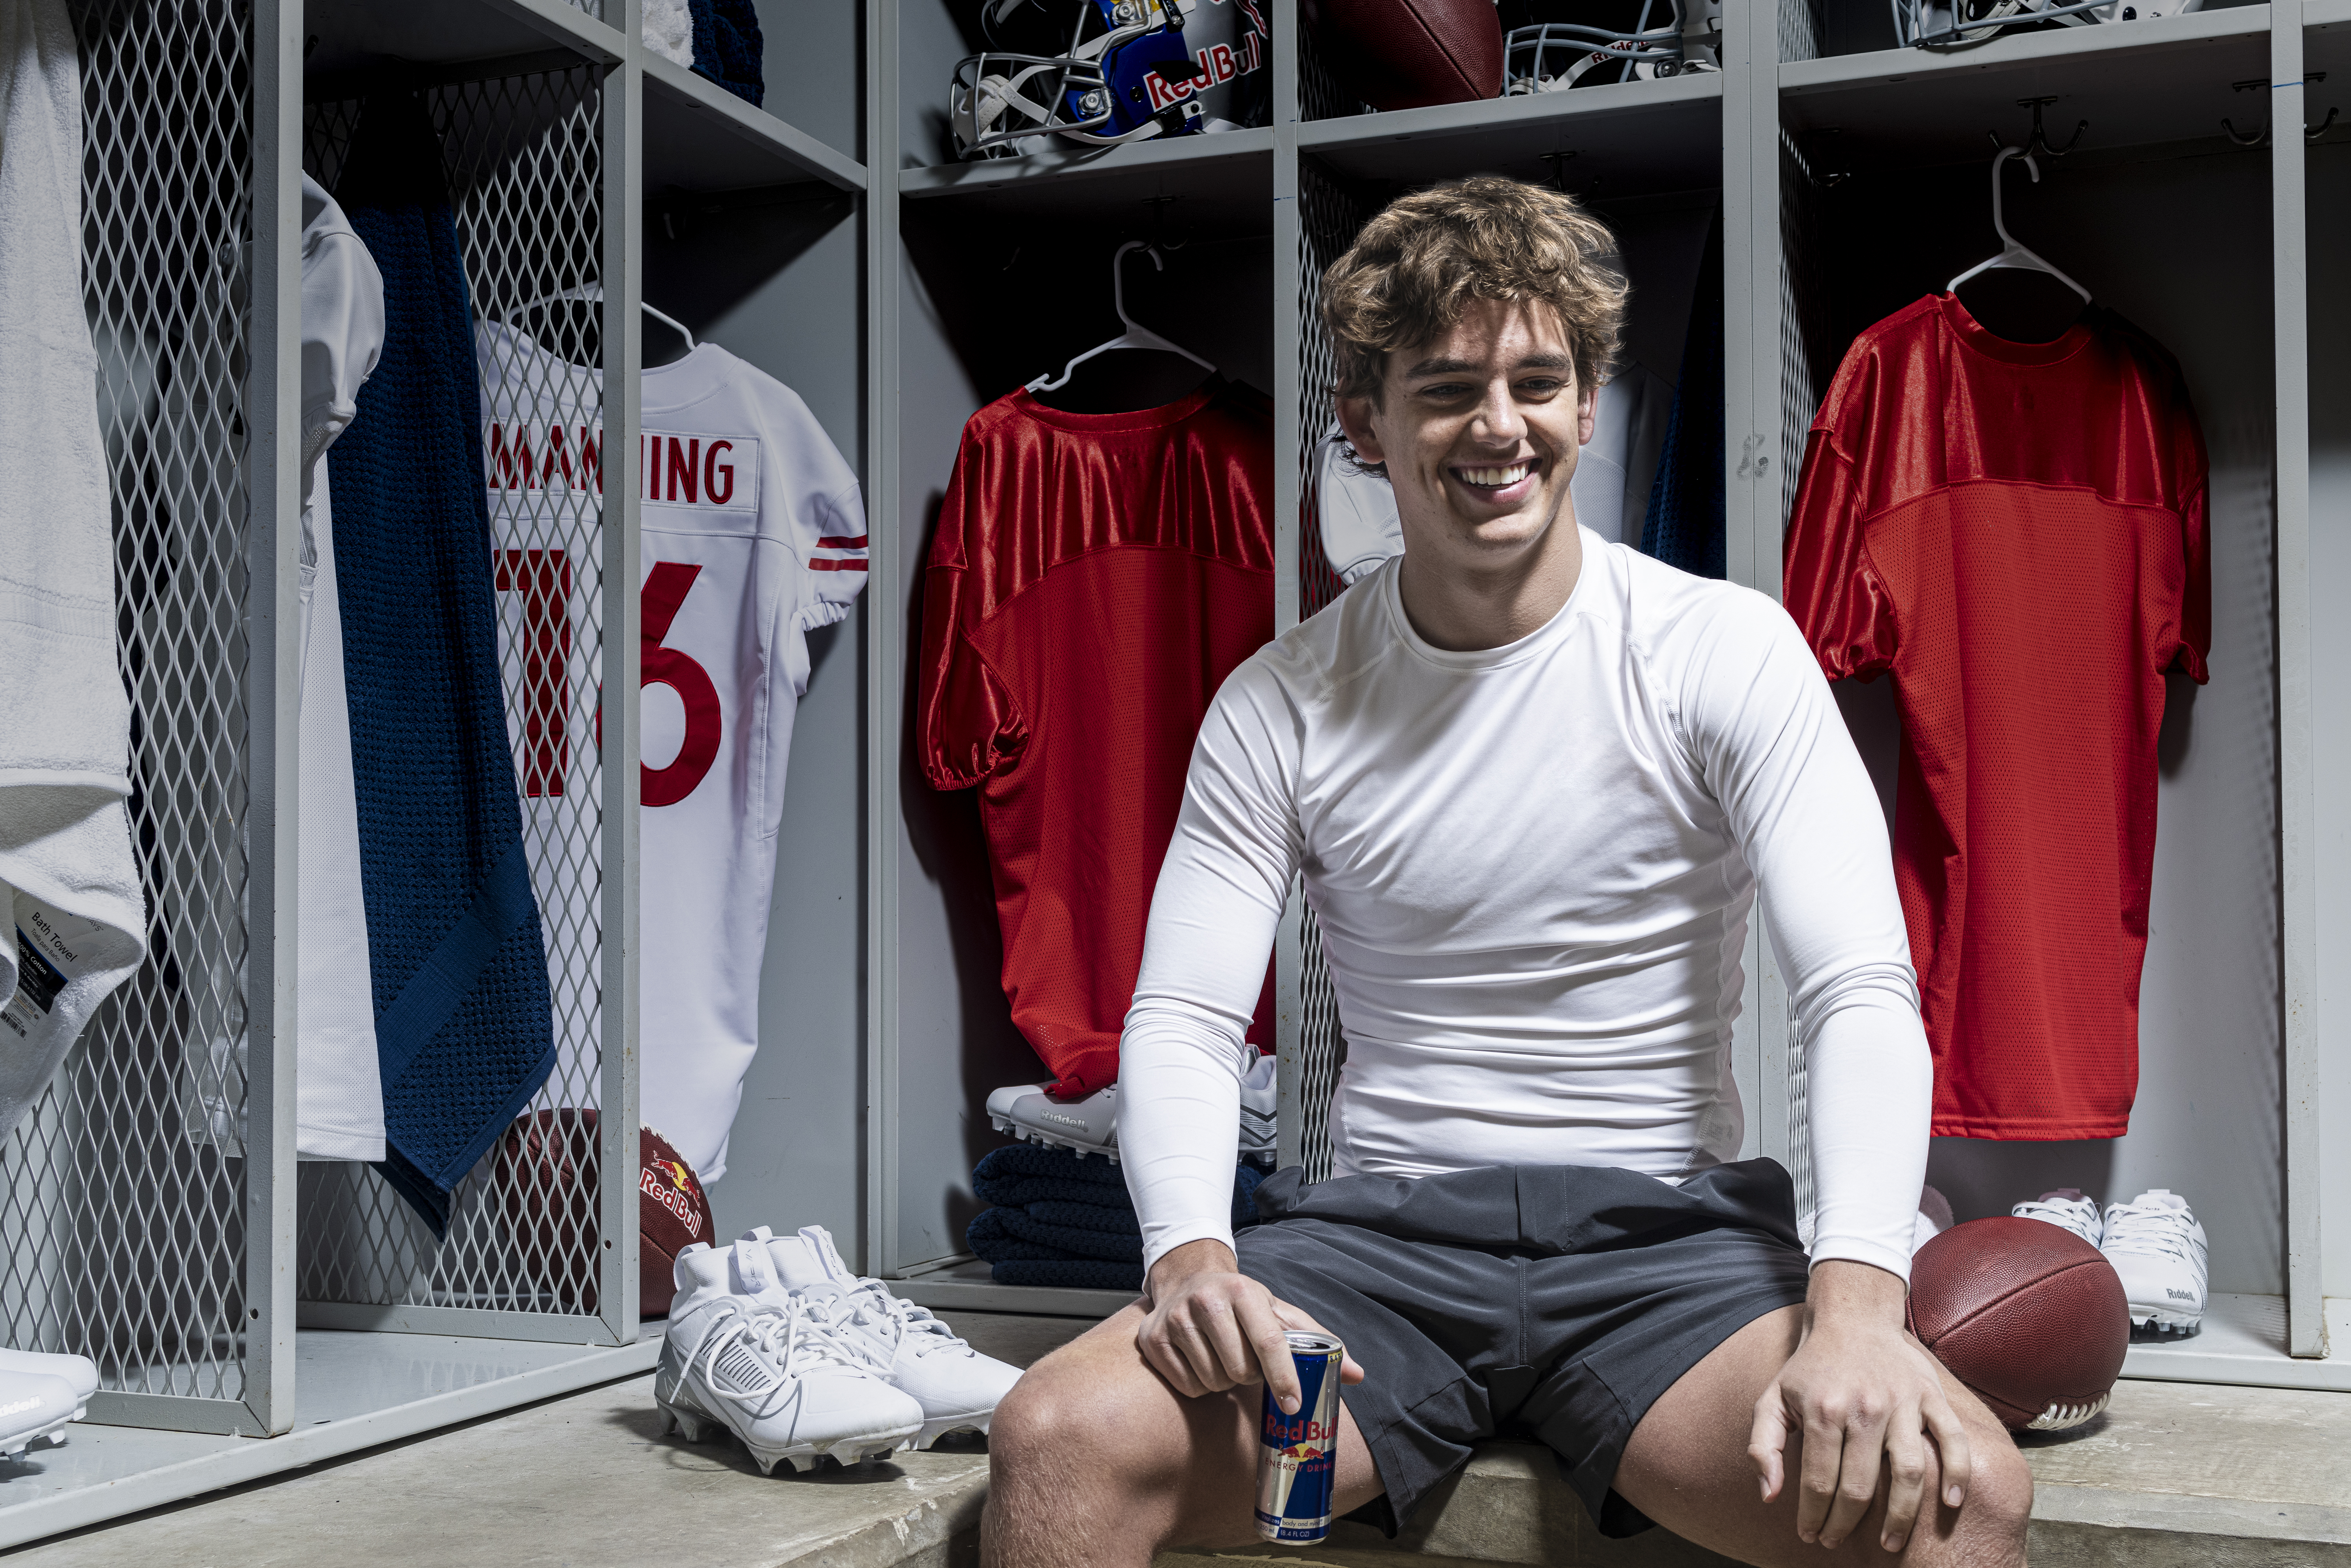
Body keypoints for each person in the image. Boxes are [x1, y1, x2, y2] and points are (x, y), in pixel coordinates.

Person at [980, 177, 2032, 1568]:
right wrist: (1191, 1255)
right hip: (1373, 1265)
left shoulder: (1722, 649)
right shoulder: (1280, 701)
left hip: (1670, 1255)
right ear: (1363, 422)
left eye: (1539, 380)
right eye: (1446, 387)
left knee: (1961, 1498)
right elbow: (1179, 1018)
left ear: (1589, 407)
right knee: (1058, 1439)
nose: (1499, 426)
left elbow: (1857, 984)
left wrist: (1856, 1302)